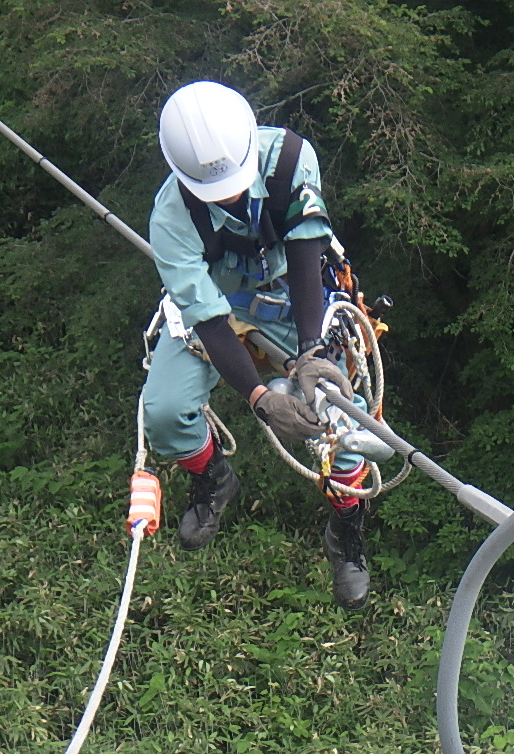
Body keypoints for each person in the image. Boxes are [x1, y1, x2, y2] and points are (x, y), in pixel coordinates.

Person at [142, 80, 371, 610]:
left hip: (296, 299)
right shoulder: (172, 217)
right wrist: (260, 398)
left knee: (344, 422)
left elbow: (307, 252)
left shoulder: (290, 159)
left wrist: (313, 351)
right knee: (166, 410)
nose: (227, 195)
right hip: (220, 309)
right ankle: (213, 478)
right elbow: (208, 320)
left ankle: (346, 527)